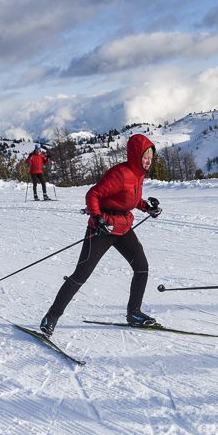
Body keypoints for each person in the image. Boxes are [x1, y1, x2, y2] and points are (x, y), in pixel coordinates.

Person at [39, 134, 162, 336]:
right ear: (135, 156)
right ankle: (50, 317)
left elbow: (130, 199)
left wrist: (147, 208)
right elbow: (93, 194)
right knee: (81, 275)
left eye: (150, 157)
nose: (148, 161)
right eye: (145, 156)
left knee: (142, 267)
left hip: (123, 227)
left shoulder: (138, 173)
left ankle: (134, 313)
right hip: (103, 228)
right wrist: (97, 219)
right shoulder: (120, 173)